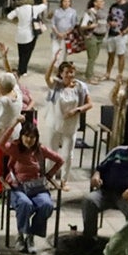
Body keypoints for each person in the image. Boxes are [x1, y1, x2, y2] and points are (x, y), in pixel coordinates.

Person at [75, 123, 128, 242]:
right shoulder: (119, 151)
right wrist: (96, 176)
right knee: (89, 200)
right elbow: (100, 168)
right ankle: (89, 237)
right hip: (106, 192)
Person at [1, 118, 62, 253]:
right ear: (21, 136)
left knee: (47, 205)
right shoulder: (15, 149)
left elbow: (60, 160)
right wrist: (14, 123)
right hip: (18, 188)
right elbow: (1, 143)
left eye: (32, 137)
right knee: (25, 203)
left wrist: (49, 175)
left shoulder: (40, 150)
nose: (29, 139)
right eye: (26, 136)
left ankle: (31, 236)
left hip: (37, 188)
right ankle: (21, 236)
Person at [43, 59, 93, 187]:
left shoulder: (81, 87)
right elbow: (47, 77)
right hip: (54, 123)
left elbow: (89, 104)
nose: (70, 75)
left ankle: (64, 181)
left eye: (72, 72)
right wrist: (52, 62)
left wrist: (77, 110)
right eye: (67, 72)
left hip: (70, 126)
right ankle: (49, 178)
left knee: (68, 154)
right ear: (61, 73)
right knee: (51, 152)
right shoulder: (56, 84)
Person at [7, 0, 47, 77]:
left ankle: (21, 69)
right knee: (27, 53)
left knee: (21, 53)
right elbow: (45, 5)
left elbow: (9, 16)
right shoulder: (34, 8)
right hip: (30, 34)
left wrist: (16, 21)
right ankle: (23, 70)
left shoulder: (18, 9)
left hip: (19, 34)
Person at [104, 0, 128, 81]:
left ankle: (120, 74)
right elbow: (109, 18)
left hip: (121, 35)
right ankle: (108, 73)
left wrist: (125, 31)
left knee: (121, 55)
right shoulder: (113, 6)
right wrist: (110, 23)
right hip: (112, 33)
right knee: (110, 55)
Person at [81, 0, 108, 82]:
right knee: (92, 57)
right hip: (91, 36)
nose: (103, 3)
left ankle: (90, 73)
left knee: (94, 56)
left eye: (103, 1)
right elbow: (83, 26)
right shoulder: (89, 13)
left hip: (100, 36)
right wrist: (90, 26)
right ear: (95, 3)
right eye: (100, 1)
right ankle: (89, 76)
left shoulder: (101, 12)